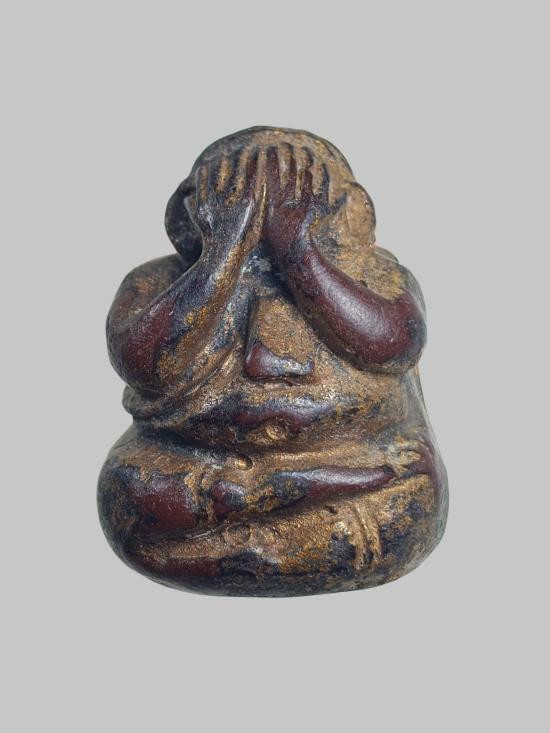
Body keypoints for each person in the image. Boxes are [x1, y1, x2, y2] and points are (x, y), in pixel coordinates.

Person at [98, 127, 448, 596]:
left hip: (351, 454)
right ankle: (306, 493)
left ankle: (243, 521)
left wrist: (300, 252)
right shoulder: (158, 280)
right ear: (193, 208)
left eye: (294, 194)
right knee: (130, 494)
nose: (264, 212)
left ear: (350, 207)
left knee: (410, 498)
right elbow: (141, 361)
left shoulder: (377, 274)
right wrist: (225, 251)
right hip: (196, 464)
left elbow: (395, 342)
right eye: (239, 194)